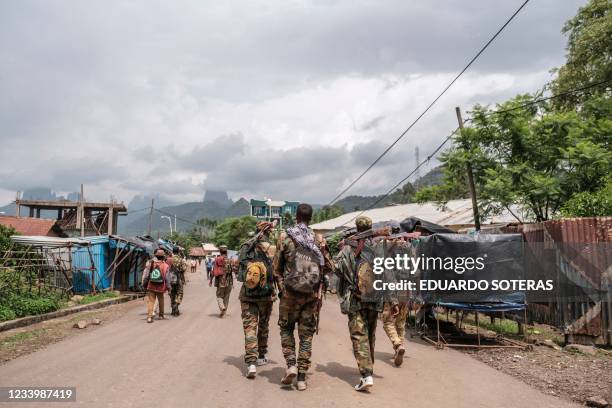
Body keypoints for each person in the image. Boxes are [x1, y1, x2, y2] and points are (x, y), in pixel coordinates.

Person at [333, 216, 398, 392]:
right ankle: (369, 368)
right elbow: (388, 274)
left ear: (356, 227)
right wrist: (393, 300)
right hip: (375, 298)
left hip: (355, 298)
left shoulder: (348, 247)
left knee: (358, 335)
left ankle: (366, 375)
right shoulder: (379, 247)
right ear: (371, 227)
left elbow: (337, 269)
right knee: (370, 334)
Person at [273, 203, 329, 391]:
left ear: (296, 217)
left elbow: (276, 268)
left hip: (290, 293)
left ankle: (291, 366)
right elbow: (326, 267)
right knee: (306, 335)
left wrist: (282, 288)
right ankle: (303, 378)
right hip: (311, 295)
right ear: (310, 218)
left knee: (286, 329)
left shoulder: (285, 236)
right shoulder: (317, 239)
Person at [237, 221, 276, 379]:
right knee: (263, 325)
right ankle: (261, 355)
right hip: (267, 295)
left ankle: (251, 362)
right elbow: (277, 272)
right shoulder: (273, 248)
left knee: (249, 328)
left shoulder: (246, 246)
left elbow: (240, 274)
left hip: (247, 294)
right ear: (268, 232)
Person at [141, 247, 173, 323]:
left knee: (151, 301)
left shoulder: (150, 263)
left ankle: (149, 317)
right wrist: (169, 288)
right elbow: (167, 278)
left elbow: (146, 275)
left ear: (155, 255)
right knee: (161, 300)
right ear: (163, 257)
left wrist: (144, 284)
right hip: (161, 286)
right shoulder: (165, 265)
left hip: (151, 285)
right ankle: (161, 315)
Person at [209, 245, 234, 317]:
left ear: (220, 251)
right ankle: (224, 312)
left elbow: (213, 271)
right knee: (226, 297)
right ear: (226, 251)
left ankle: (222, 307)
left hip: (220, 282)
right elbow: (233, 271)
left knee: (219, 296)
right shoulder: (230, 260)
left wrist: (210, 280)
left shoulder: (217, 259)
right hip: (229, 282)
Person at [167, 247, 187, 316]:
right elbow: (184, 269)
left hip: (170, 280)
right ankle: (176, 305)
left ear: (172, 251)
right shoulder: (180, 259)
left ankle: (173, 310)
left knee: (172, 294)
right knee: (180, 293)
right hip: (179, 279)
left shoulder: (168, 259)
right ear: (178, 252)